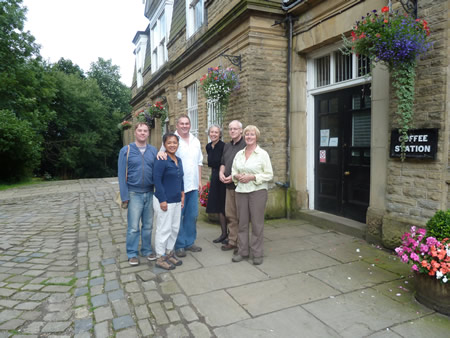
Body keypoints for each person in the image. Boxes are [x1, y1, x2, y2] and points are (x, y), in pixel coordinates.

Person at [158, 114, 203, 257]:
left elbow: (199, 162)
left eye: (187, 123)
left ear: (190, 125)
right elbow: (162, 153)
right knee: (178, 217)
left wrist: (200, 181)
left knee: (192, 215)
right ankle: (179, 244)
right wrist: (159, 152)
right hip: (178, 186)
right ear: (177, 125)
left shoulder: (195, 140)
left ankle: (190, 242)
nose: (184, 126)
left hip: (193, 185)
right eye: (181, 123)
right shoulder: (172, 139)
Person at [231, 125, 273, 265]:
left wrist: (252, 177)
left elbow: (269, 174)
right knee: (242, 223)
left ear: (257, 137)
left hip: (257, 192)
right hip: (241, 191)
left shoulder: (263, 154)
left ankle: (257, 253)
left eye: (252, 134)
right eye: (247, 134)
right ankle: (242, 252)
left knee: (257, 224)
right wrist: (237, 176)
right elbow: (233, 171)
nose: (249, 137)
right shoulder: (239, 154)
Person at [118, 122, 157, 266]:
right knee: (133, 226)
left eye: (145, 131)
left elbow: (158, 172)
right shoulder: (126, 150)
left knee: (148, 225)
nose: (142, 133)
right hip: (134, 193)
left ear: (148, 133)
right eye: (140, 130)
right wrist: (124, 196)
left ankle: (146, 250)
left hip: (150, 192)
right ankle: (132, 253)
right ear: (135, 132)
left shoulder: (153, 151)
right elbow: (121, 175)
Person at [153, 133, 185, 270]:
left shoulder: (178, 159)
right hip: (165, 200)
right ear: (164, 145)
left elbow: (180, 178)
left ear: (178, 144)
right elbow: (157, 180)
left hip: (177, 199)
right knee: (163, 229)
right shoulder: (162, 159)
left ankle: (169, 252)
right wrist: (162, 200)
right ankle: (160, 257)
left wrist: (182, 194)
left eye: (175, 143)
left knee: (174, 228)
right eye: (169, 143)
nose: (172, 145)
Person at [219, 120, 246, 252]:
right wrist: (221, 172)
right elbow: (223, 162)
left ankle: (242, 243)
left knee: (242, 216)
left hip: (242, 187)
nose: (232, 131)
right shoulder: (227, 146)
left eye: (235, 129)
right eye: (230, 129)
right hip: (229, 187)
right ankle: (232, 241)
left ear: (241, 130)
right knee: (231, 214)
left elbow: (249, 166)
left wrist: (234, 176)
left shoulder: (246, 145)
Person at [205, 125, 227, 243]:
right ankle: (223, 233)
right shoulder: (208, 147)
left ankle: (230, 234)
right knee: (218, 206)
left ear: (220, 134)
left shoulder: (224, 147)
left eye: (216, 132)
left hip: (222, 177)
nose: (213, 134)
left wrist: (222, 174)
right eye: (212, 132)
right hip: (214, 177)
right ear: (209, 134)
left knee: (224, 206)